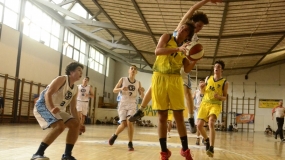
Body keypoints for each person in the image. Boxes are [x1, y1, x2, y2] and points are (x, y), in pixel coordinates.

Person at [31, 62, 85, 160]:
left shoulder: (75, 88)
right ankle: (38, 153)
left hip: (57, 110)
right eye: (79, 70)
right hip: (43, 106)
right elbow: (48, 93)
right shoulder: (62, 79)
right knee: (60, 126)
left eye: (82, 71)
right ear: (71, 71)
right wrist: (52, 107)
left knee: (75, 124)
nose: (81, 73)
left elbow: (73, 108)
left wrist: (80, 123)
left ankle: (67, 155)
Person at [197, 60, 229, 158]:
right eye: (215, 66)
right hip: (205, 103)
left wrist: (219, 97)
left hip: (215, 105)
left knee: (211, 122)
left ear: (222, 70)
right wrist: (201, 88)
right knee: (199, 126)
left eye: (218, 67)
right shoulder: (208, 78)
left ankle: (211, 147)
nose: (216, 68)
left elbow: (225, 97)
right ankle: (206, 140)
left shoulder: (225, 82)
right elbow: (202, 93)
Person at [108, 65, 145, 151]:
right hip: (123, 103)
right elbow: (114, 90)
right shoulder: (123, 79)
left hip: (132, 103)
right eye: (131, 68)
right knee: (123, 124)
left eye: (135, 69)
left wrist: (142, 91)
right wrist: (121, 88)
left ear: (136, 72)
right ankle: (114, 135)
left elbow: (142, 96)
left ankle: (130, 143)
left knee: (130, 122)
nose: (133, 70)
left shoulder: (138, 83)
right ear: (129, 70)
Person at [193, 79, 204, 145]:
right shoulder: (196, 91)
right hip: (197, 109)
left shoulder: (206, 91)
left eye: (202, 82)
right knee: (198, 125)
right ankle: (198, 138)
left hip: (204, 108)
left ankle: (203, 138)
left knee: (204, 125)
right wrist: (192, 105)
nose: (201, 83)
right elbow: (191, 98)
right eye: (200, 82)